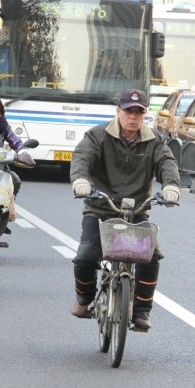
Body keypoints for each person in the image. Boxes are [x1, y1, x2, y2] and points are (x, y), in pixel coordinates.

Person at [69, 88, 181, 330]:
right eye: (129, 111)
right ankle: (84, 298)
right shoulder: (97, 135)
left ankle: (141, 311)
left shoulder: (155, 140)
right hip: (100, 208)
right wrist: (81, 182)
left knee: (151, 258)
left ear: (144, 115)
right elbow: (82, 158)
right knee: (86, 257)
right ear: (118, 111)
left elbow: (167, 163)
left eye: (139, 112)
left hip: (137, 210)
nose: (133, 117)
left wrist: (171, 186)